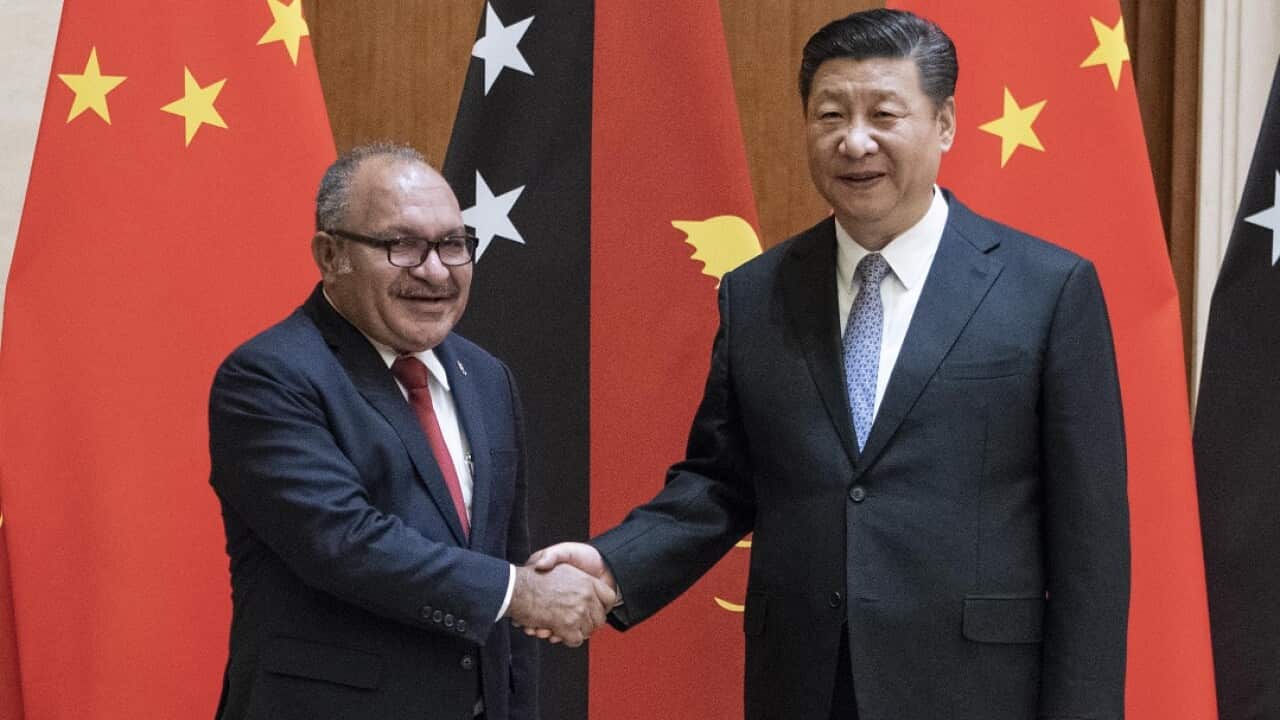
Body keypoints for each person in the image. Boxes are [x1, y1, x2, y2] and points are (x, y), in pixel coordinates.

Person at [530, 9, 1129, 720]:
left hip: (977, 689)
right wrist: (615, 565)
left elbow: (1091, 543)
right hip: (805, 684)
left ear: (944, 124)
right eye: (830, 114)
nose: (854, 141)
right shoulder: (757, 292)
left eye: (884, 113)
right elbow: (721, 481)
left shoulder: (1047, 289)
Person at [208, 144, 614, 720]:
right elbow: (344, 543)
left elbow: (510, 560)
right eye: (402, 246)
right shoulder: (270, 376)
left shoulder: (487, 377)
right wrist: (516, 591)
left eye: (453, 244)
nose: (435, 270)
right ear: (331, 255)